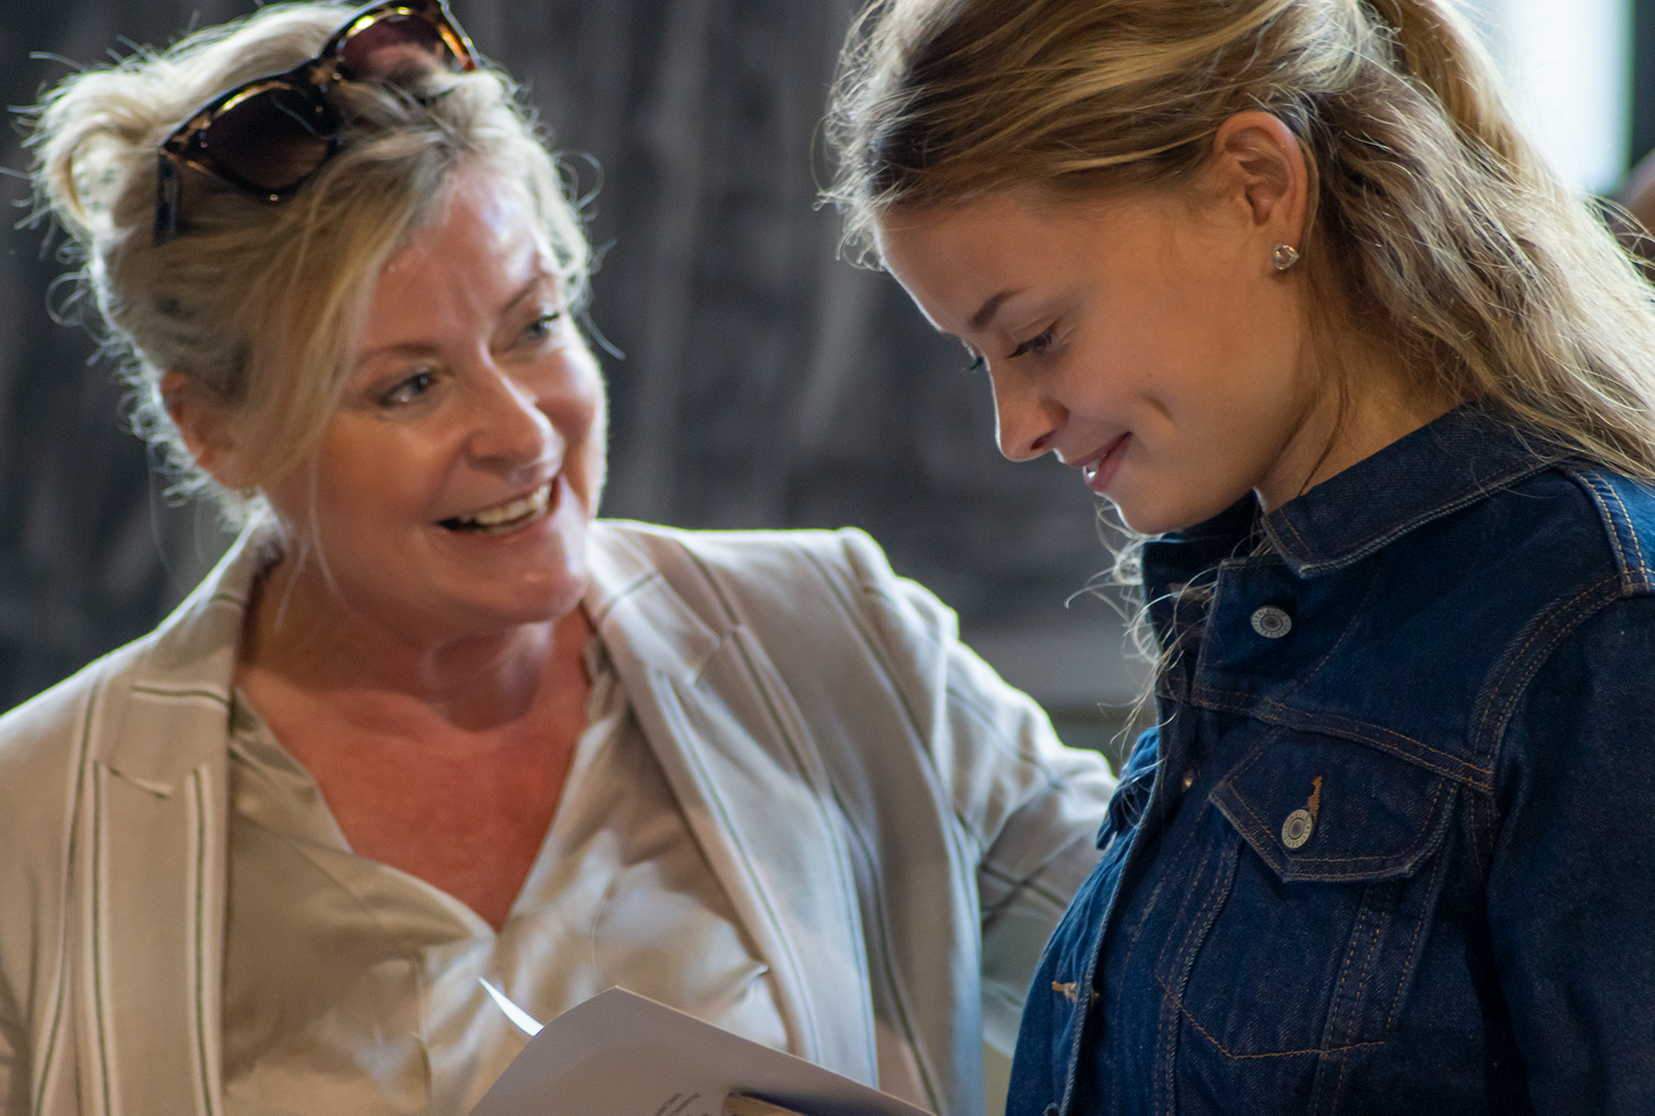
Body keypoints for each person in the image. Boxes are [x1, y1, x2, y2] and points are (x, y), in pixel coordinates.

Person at [1, 3, 1118, 1114]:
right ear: (213, 430)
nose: (523, 433)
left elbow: (1196, 976)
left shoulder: (839, 639)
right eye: (410, 385)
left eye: (532, 326)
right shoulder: (33, 826)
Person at [825, 0, 1655, 1112]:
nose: (1014, 428)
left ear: (1254, 187)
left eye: (1034, 338)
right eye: (983, 364)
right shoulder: (1243, 604)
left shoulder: (1596, 619)